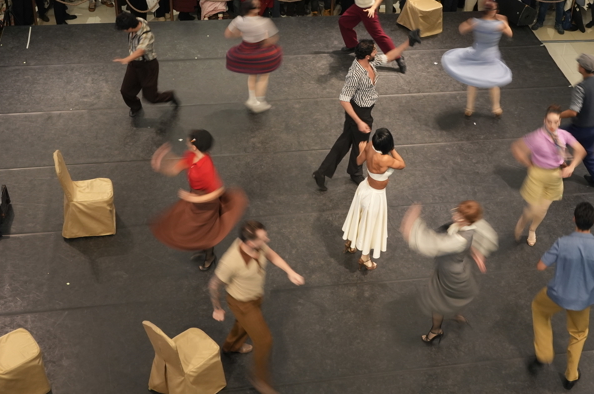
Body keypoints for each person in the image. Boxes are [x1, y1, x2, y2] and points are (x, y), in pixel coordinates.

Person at [527, 202, 594, 390]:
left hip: (556, 295)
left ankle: (544, 354)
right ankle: (571, 376)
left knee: (539, 310)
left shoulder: (562, 242)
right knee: (579, 334)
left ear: (574, 219)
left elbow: (540, 266)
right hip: (582, 301)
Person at [208, 220, 305, 394]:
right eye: (263, 238)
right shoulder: (231, 261)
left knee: (243, 326)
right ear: (250, 242)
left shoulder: (257, 247)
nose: (266, 239)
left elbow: (272, 255)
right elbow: (214, 284)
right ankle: (260, 380)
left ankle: (231, 346)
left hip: (255, 297)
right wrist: (217, 308)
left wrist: (290, 272)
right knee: (264, 340)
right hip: (242, 303)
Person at [313, 36, 416, 191]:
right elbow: (344, 99)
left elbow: (390, 55)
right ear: (367, 55)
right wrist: (360, 121)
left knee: (345, 141)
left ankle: (322, 172)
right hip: (360, 112)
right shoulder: (355, 74)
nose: (377, 51)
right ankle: (354, 173)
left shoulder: (370, 62)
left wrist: (409, 42)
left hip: (362, 109)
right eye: (374, 49)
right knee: (359, 144)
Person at [400, 201, 498, 343]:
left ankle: (435, 331)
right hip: (457, 269)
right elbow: (476, 235)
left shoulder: (459, 239)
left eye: (459, 215)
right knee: (453, 298)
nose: (455, 216)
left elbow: (435, 244)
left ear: (466, 220)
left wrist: (412, 229)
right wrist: (476, 252)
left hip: (449, 275)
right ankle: (454, 313)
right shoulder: (472, 225)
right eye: (457, 212)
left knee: (438, 304)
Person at [150, 130, 248, 270]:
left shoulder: (206, 168)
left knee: (205, 231)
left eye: (188, 140)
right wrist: (162, 164)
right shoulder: (191, 155)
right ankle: (204, 249)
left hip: (205, 203)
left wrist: (194, 199)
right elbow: (176, 168)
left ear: (194, 146)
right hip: (195, 197)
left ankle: (210, 256)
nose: (186, 142)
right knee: (197, 229)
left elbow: (218, 191)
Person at [512, 105, 586, 246]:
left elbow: (581, 150)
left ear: (559, 122)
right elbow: (517, 147)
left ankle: (532, 229)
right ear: (544, 120)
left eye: (556, 122)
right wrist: (527, 162)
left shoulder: (563, 135)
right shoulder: (536, 137)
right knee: (533, 209)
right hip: (537, 175)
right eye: (549, 122)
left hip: (555, 176)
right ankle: (522, 222)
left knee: (542, 210)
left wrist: (571, 166)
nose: (552, 125)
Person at [342, 128, 405, 270]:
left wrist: (362, 150)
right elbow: (402, 164)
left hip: (364, 189)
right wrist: (393, 149)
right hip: (375, 196)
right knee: (370, 226)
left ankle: (351, 244)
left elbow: (358, 161)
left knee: (359, 219)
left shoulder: (370, 146)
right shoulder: (386, 159)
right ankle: (365, 258)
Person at [441, 0, 513, 117]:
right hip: (490, 56)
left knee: (472, 80)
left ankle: (469, 108)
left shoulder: (476, 22)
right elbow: (510, 34)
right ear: (493, 11)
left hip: (476, 53)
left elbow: (461, 29)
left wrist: (472, 24)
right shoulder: (499, 24)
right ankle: (496, 108)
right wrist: (504, 21)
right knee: (493, 82)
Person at [337, 0, 407, 73]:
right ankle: (352, 45)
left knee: (378, 35)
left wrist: (373, 8)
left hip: (368, 9)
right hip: (357, 6)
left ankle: (398, 57)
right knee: (343, 22)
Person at [113, 12, 179, 117]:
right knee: (125, 91)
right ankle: (135, 107)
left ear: (129, 28)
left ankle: (170, 96)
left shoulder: (147, 35)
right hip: (134, 64)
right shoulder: (137, 21)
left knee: (151, 97)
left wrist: (126, 59)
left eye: (124, 29)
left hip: (148, 66)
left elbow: (141, 51)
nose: (124, 31)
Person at [224, 0, 282, 113]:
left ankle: (252, 99)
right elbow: (272, 40)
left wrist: (241, 33)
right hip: (260, 51)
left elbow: (228, 34)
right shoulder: (264, 21)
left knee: (252, 74)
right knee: (264, 75)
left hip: (245, 50)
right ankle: (260, 102)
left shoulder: (239, 20)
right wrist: (265, 38)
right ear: (255, 10)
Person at [561, 55, 594, 189]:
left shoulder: (580, 87)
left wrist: (558, 115)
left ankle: (562, 167)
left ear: (581, 68)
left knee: (556, 137)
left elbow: (573, 111)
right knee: (588, 153)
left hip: (580, 127)